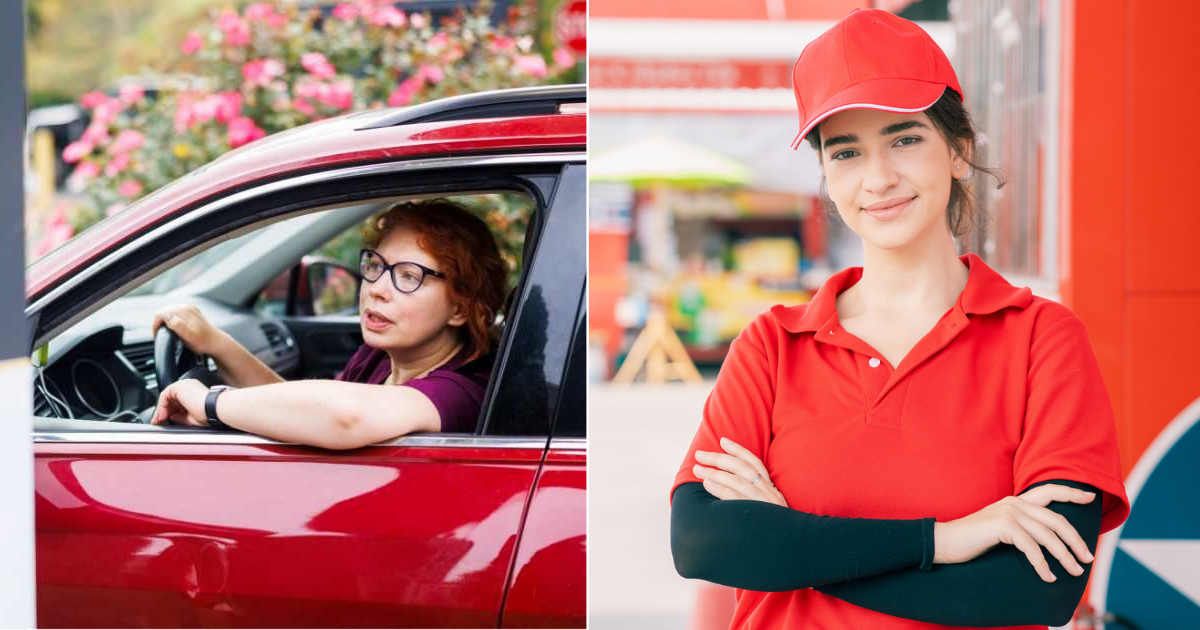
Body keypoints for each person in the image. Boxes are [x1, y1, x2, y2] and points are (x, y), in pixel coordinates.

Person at [668, 9, 1130, 629]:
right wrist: (944, 540)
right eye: (847, 152)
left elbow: (1037, 590)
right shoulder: (773, 345)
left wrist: (787, 545)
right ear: (828, 178)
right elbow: (703, 542)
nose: (879, 178)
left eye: (905, 139)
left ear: (959, 151)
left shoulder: (1041, 339)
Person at [149, 198, 508, 449]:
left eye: (409, 276)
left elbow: (345, 417)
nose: (377, 290)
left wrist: (210, 402)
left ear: (460, 309)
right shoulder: (379, 358)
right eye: (376, 266)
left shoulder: (464, 390)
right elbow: (301, 410)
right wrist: (216, 343)